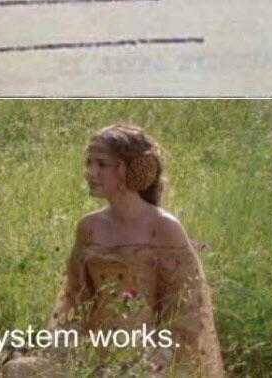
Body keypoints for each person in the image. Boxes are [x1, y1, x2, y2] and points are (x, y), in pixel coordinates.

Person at [43, 123, 225, 377]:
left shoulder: (164, 228)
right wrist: (64, 344)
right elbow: (74, 300)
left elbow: (185, 312)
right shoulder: (88, 227)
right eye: (89, 163)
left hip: (147, 358)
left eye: (102, 164)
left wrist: (153, 362)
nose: (91, 173)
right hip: (94, 352)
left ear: (130, 170)